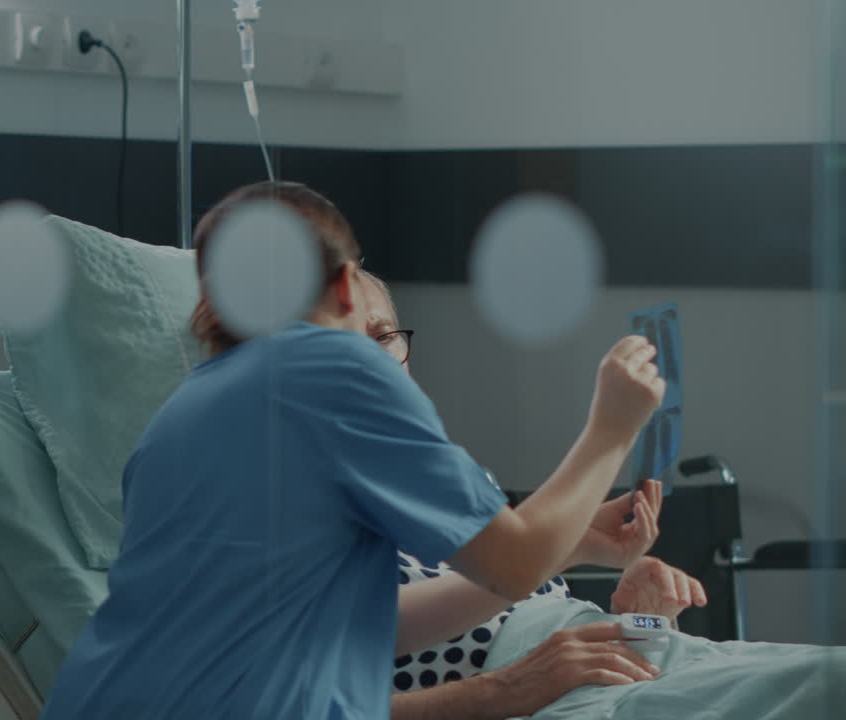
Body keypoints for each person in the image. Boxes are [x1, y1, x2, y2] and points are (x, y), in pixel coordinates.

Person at [40, 181, 664, 719]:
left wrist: (570, 541)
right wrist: (612, 429)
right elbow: (516, 564)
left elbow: (353, 625)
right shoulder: (333, 371)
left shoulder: (176, 422)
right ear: (344, 286)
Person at [357, 273, 710, 719]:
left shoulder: (454, 478)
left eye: (383, 337)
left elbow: (527, 600)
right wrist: (503, 689)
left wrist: (647, 625)